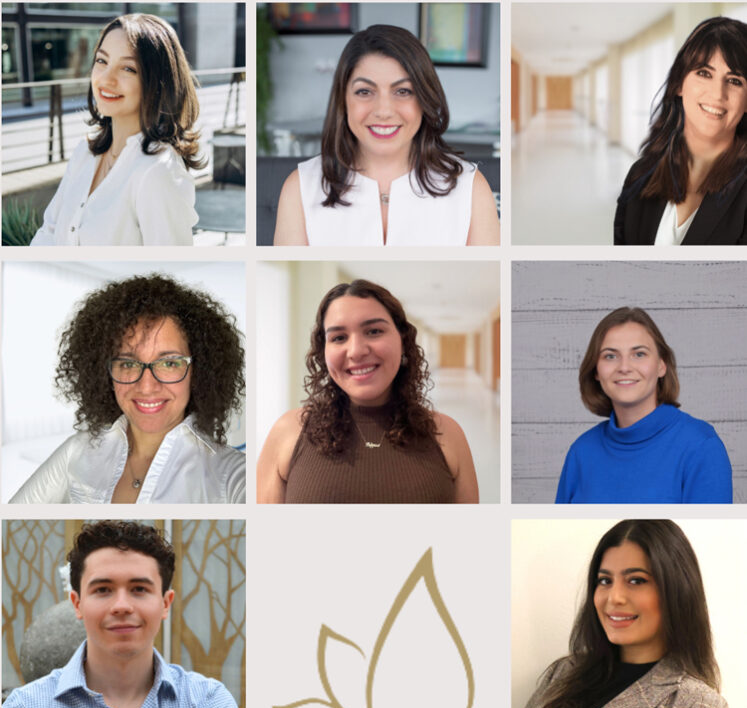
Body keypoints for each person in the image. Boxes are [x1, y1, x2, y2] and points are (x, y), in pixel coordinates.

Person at [1, 521, 245, 708]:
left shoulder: (210, 706)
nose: (121, 606)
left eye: (139, 589)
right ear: (77, 604)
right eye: (103, 590)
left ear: (165, 604)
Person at [9, 274, 245, 504]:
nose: (146, 385)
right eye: (129, 363)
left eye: (169, 363)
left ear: (199, 371)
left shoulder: (232, 475)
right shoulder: (77, 452)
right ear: (105, 373)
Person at [512, 519, 730, 708]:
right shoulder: (563, 672)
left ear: (677, 590)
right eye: (605, 580)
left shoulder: (697, 706)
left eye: (636, 580)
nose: (614, 597)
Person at [274, 25, 500, 246]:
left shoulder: (471, 189)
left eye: (403, 91)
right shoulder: (300, 187)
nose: (383, 111)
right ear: (343, 100)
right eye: (364, 91)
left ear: (424, 98)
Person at [257, 279, 479, 503]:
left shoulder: (448, 434)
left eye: (373, 331)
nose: (356, 351)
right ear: (323, 351)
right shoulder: (287, 432)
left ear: (402, 340)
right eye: (339, 337)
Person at [31, 13, 201, 246]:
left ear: (158, 82)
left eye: (128, 69)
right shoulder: (85, 153)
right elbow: (48, 233)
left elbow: (171, 270)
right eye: (102, 61)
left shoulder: (156, 172)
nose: (106, 79)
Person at [555, 307, 732, 503]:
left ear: (661, 366)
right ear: (596, 370)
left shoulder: (701, 447)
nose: (624, 367)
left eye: (639, 354)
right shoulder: (581, 452)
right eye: (610, 356)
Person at [614, 16, 747, 245]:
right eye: (704, 73)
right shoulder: (640, 177)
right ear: (678, 84)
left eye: (734, 80)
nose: (717, 94)